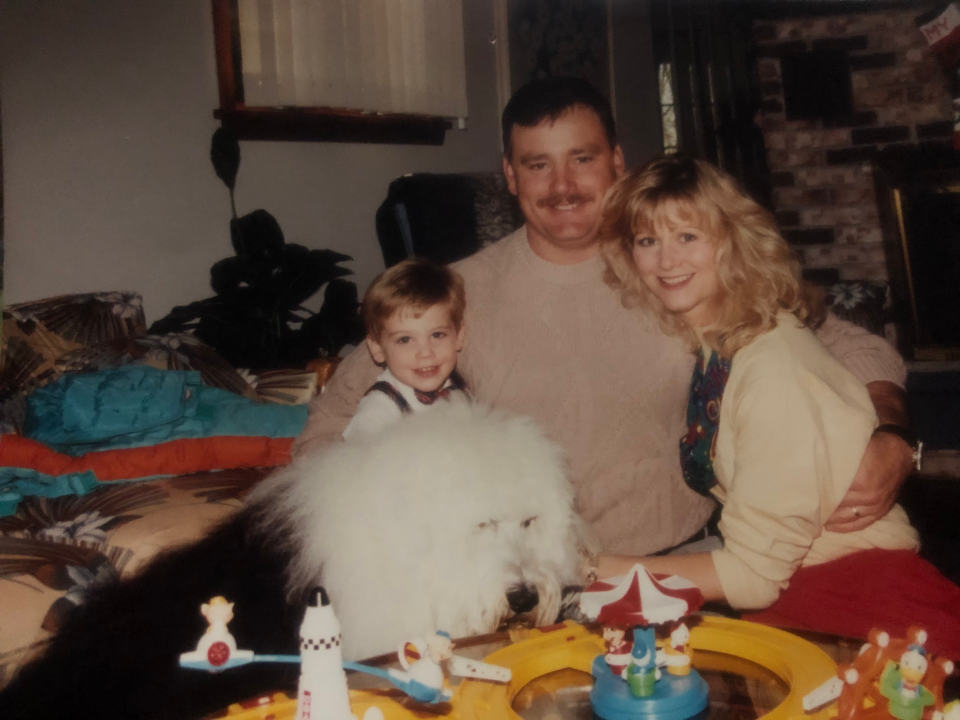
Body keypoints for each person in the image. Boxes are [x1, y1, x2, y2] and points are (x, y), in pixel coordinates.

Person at [294, 76, 914, 561]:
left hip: (697, 558)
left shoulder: (673, 269)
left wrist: (891, 438)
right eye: (537, 164)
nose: (561, 185)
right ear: (511, 176)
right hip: (535, 578)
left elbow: (852, 347)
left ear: (617, 161)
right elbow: (333, 418)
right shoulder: (457, 294)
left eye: (581, 158)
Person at [593, 155, 960, 646]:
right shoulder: (726, 342)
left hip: (867, 612)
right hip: (810, 594)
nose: (666, 260)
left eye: (688, 236)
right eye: (647, 241)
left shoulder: (771, 367)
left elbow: (752, 576)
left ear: (731, 242)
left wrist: (588, 571)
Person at [342, 258, 467, 440]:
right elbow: (366, 465)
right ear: (377, 348)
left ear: (459, 336)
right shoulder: (379, 411)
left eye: (437, 335)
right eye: (405, 339)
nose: (425, 353)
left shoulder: (458, 391)